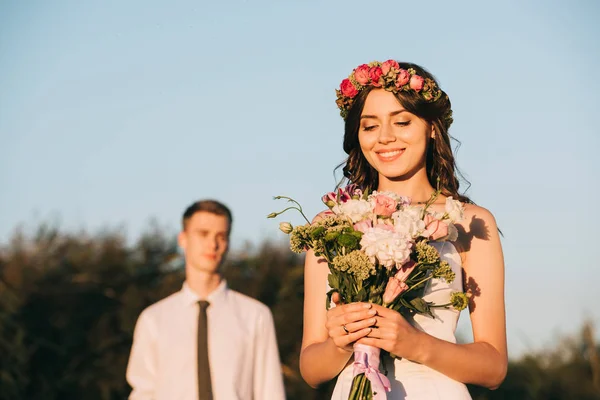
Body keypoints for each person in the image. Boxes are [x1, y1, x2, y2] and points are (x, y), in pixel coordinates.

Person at [299, 61, 507, 399]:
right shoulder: (330, 226)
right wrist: (341, 344)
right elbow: (311, 369)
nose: (385, 137)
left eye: (402, 121)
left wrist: (414, 344)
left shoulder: (470, 223)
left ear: (432, 128)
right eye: (370, 126)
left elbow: (494, 367)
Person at [126, 199, 286, 400]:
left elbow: (270, 392)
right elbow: (143, 393)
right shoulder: (153, 319)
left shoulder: (256, 316)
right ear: (183, 239)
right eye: (203, 234)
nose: (213, 244)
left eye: (221, 236)